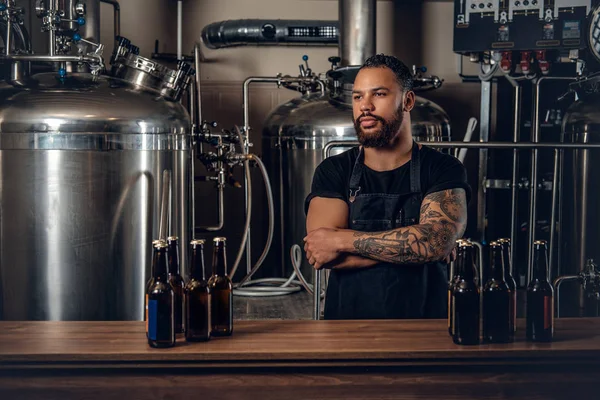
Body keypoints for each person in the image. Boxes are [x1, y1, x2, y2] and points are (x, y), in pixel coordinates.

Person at [304, 54, 471, 320]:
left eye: (379, 94)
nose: (365, 106)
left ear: (407, 101)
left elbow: (435, 241)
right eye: (358, 97)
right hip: (347, 328)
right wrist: (421, 249)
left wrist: (342, 239)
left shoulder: (442, 168)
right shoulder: (334, 171)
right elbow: (324, 255)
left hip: (426, 328)